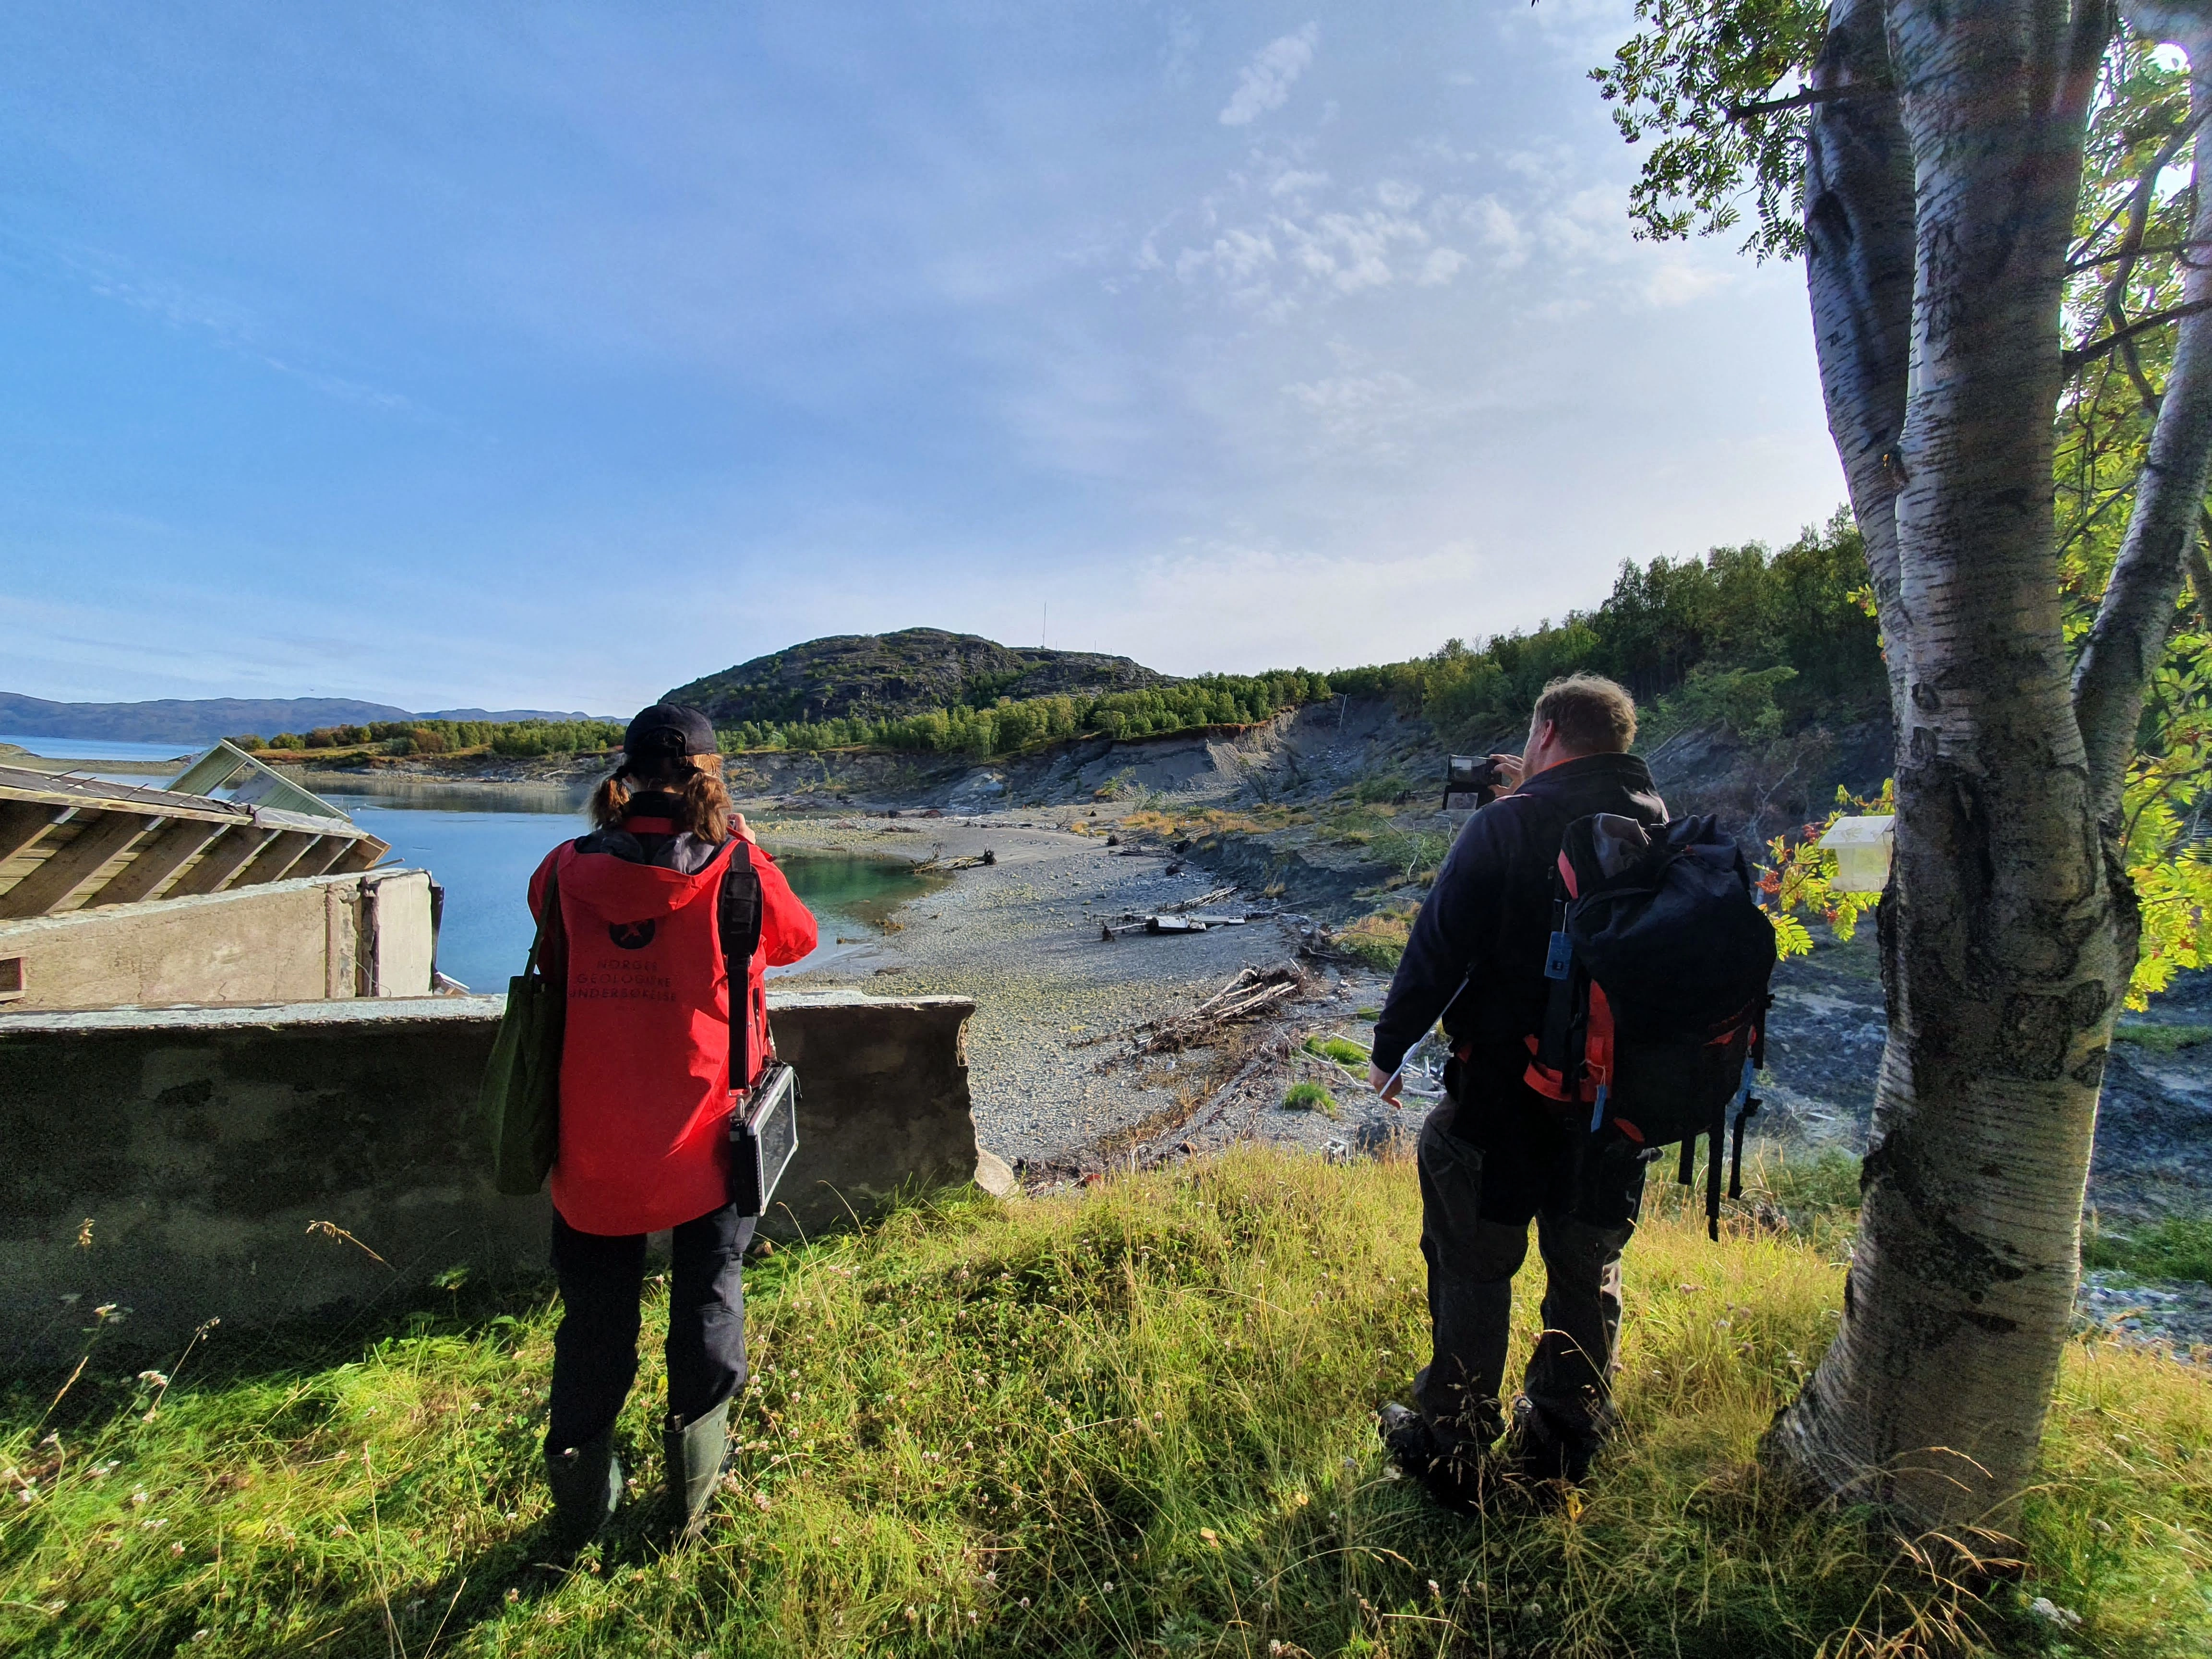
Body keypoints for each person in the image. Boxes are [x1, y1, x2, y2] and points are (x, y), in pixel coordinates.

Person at [1368, 673, 1665, 1505]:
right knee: (1586, 1269)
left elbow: (1438, 944)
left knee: (1471, 1265)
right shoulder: (1661, 828)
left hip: (1502, 1103)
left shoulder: (1507, 823)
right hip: (1616, 1110)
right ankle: (1566, 1441)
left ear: (1547, 733)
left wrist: (1389, 1051)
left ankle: (1453, 1445)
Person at [528, 703, 817, 1546]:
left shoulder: (563, 867)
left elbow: (550, 932)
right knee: (707, 1306)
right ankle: (690, 1499)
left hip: (591, 1140)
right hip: (710, 1140)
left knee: (593, 1325)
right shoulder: (739, 869)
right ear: (712, 779)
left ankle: (582, 1508)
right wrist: (751, 848)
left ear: (623, 776)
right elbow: (797, 939)